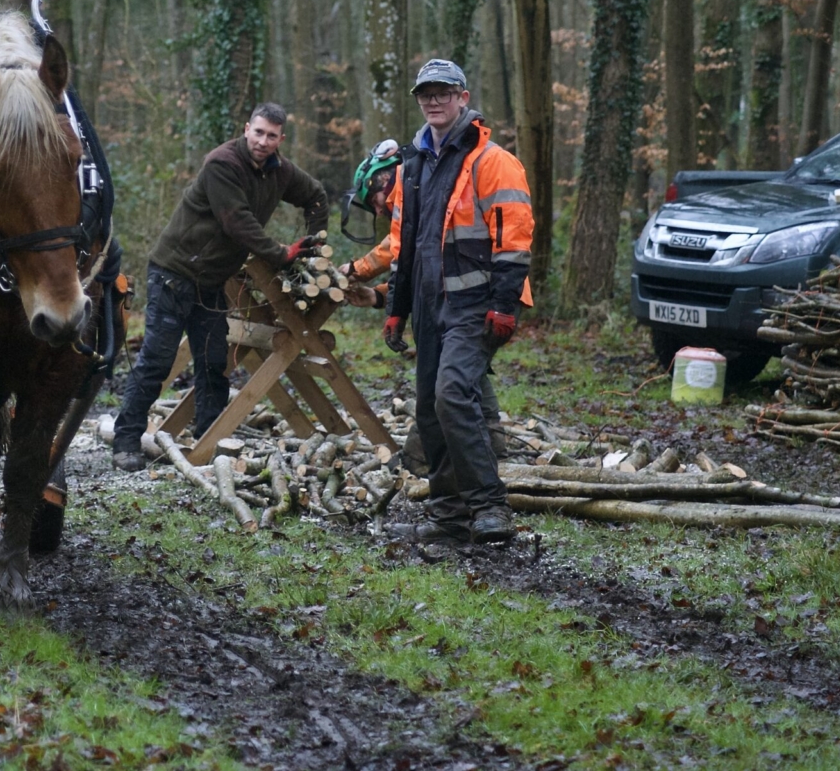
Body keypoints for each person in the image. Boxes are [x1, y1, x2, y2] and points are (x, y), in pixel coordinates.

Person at [111, 103, 330, 471]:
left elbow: (316, 195)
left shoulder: (280, 171)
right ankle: (125, 441)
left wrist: (315, 248)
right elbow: (237, 222)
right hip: (174, 274)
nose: (262, 141)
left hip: (212, 283)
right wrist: (282, 254)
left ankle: (210, 440)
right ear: (246, 129)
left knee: (214, 363)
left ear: (281, 139)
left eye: (271, 135)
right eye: (258, 132)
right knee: (157, 362)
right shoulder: (222, 163)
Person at [383, 59, 533, 544]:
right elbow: (405, 243)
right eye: (426, 94)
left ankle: (490, 506)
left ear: (463, 98)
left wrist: (504, 305)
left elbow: (515, 240)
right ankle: (449, 514)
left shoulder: (493, 161)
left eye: (443, 92)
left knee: (451, 395)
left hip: (478, 304)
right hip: (430, 304)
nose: (434, 101)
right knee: (430, 408)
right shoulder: (413, 165)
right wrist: (396, 309)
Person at [339, 140, 506, 466]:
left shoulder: (420, 192)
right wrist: (379, 296)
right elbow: (416, 271)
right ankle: (494, 445)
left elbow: (399, 248)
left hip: (476, 297)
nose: (378, 210)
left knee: (443, 380)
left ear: (383, 177)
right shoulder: (417, 195)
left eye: (373, 200)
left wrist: (357, 269)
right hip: (456, 296)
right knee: (466, 373)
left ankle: (421, 458)